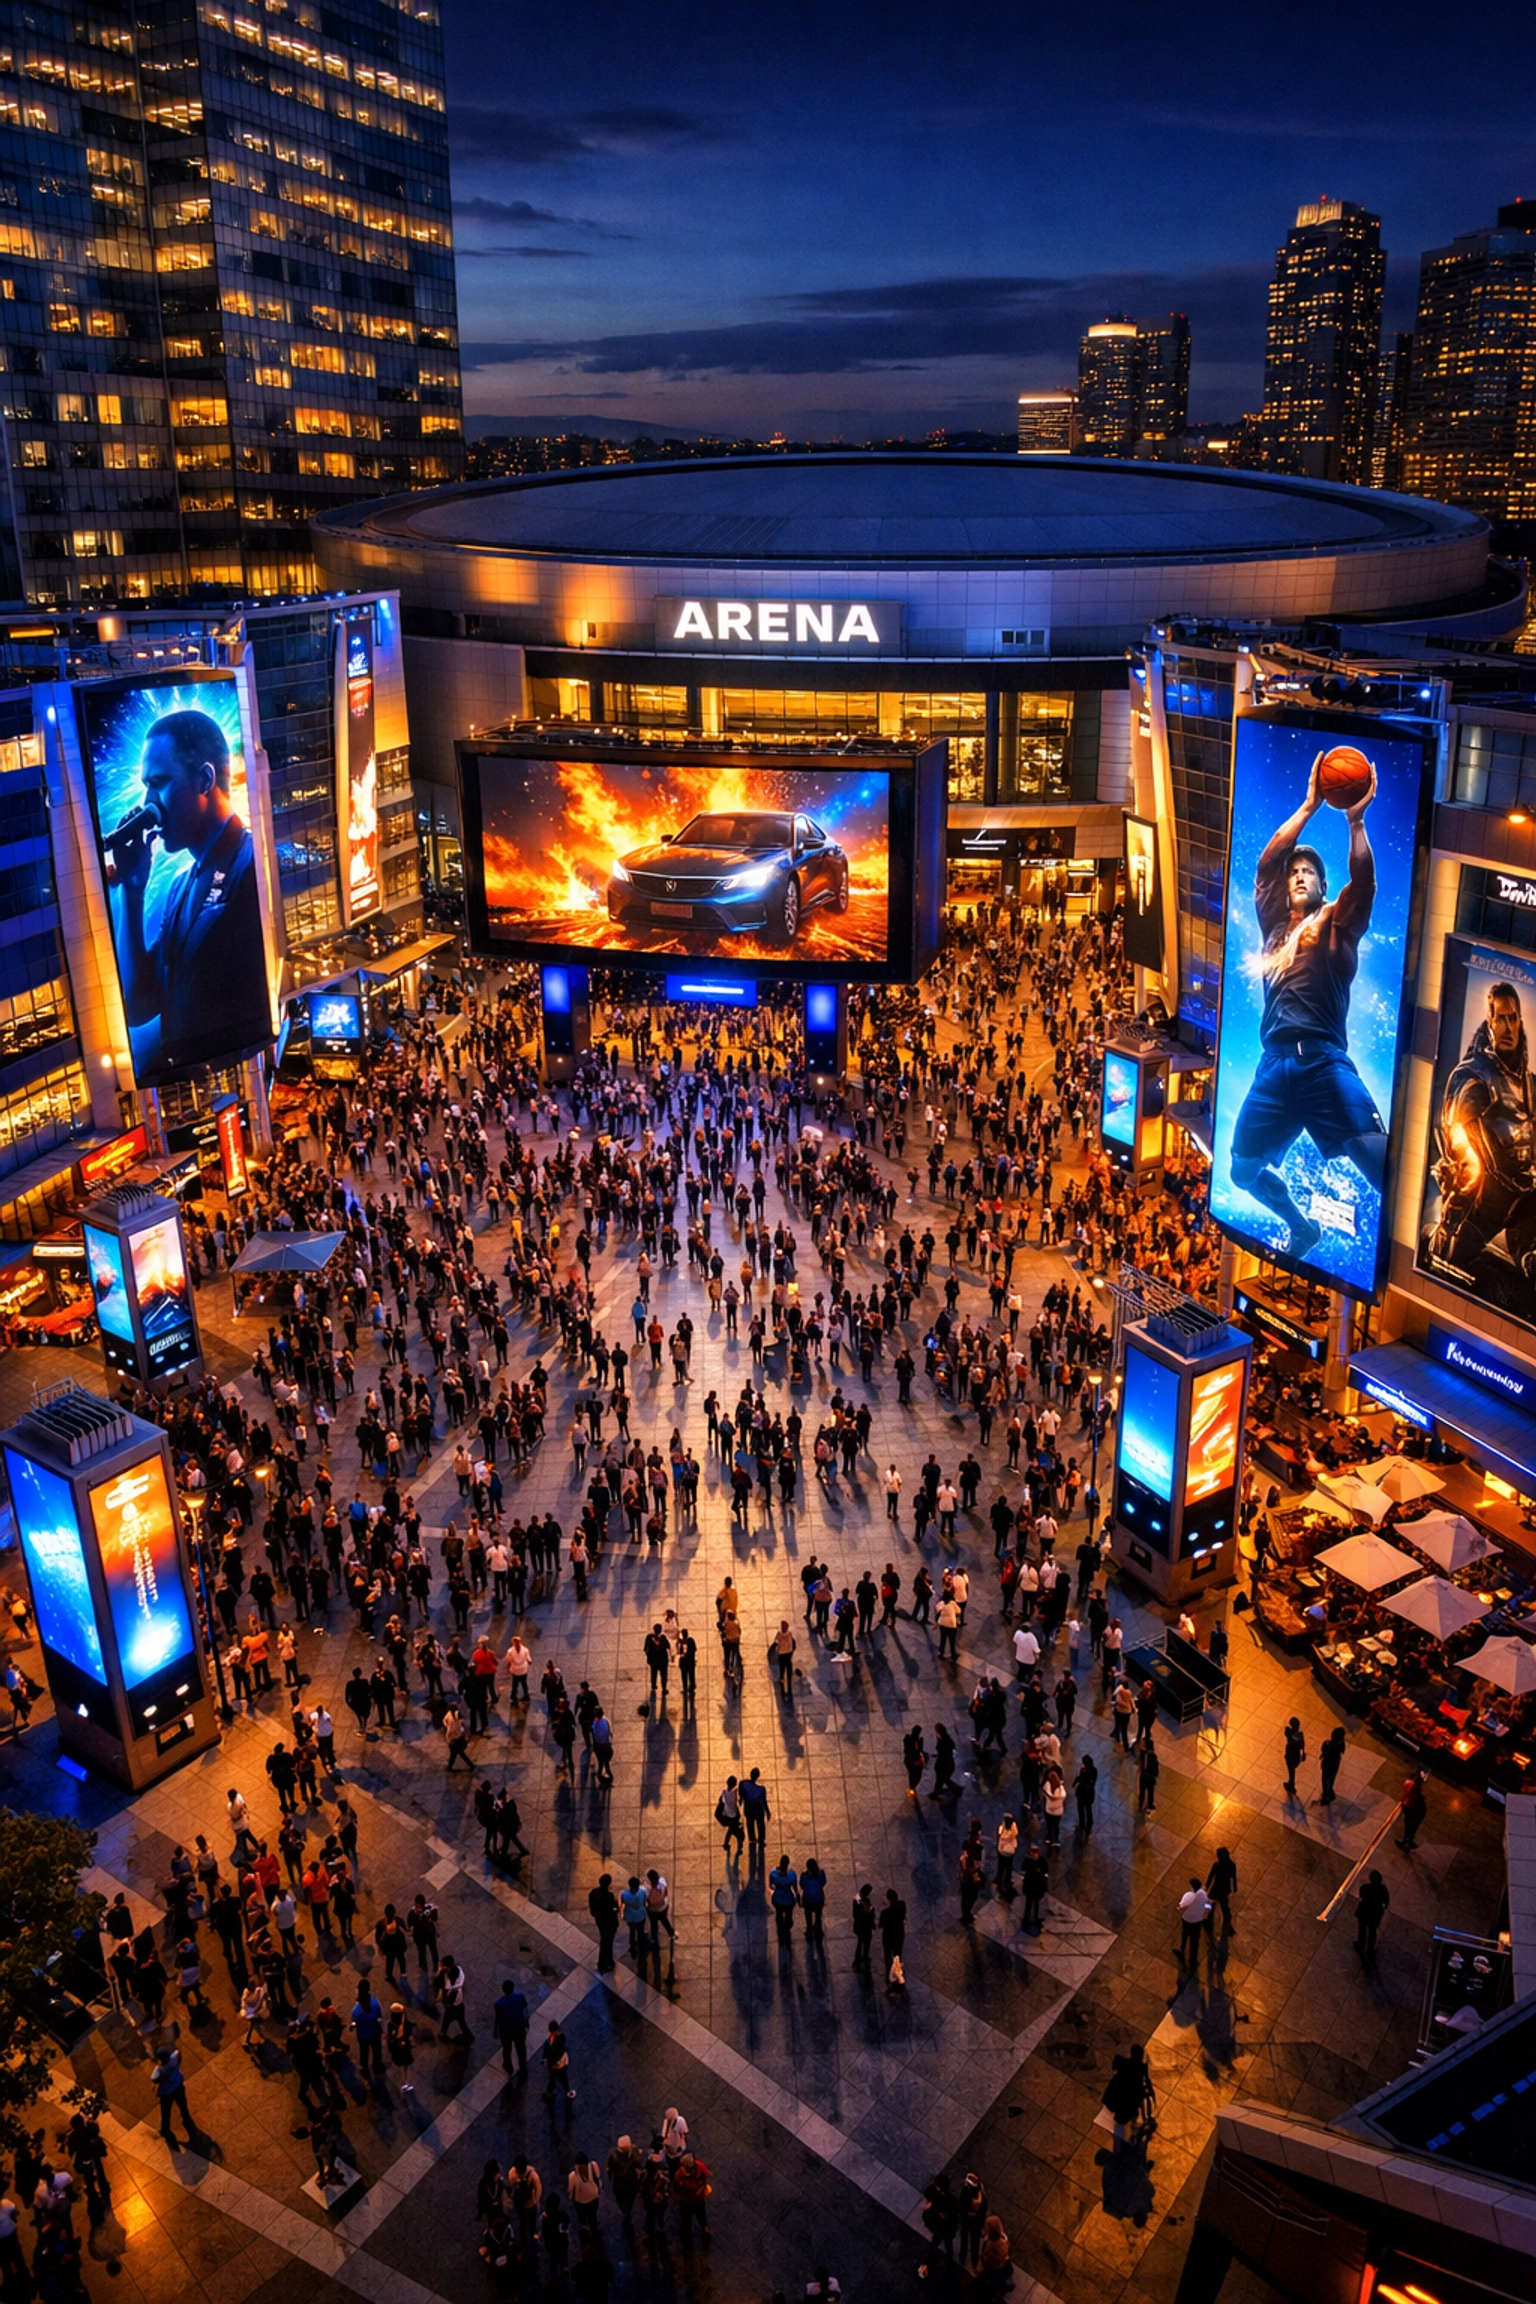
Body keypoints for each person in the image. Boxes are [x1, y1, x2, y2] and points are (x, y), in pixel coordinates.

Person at [1223, 745, 1386, 1264]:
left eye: (1308, 872)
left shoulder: (1336, 922)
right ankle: (1300, 1225)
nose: (1297, 875)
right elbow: (1267, 863)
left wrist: (1355, 822)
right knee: (1241, 1170)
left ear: (1322, 885)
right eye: (1295, 871)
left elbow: (1365, 882)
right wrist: (1309, 805)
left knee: (1378, 1164)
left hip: (1322, 1062)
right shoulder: (1274, 929)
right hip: (1273, 1065)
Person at [108, 704, 272, 1074]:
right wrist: (131, 892)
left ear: (204, 779)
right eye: (145, 785)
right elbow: (139, 1003)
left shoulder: (252, 862)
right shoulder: (180, 888)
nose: (149, 804)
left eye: (159, 782)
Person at [151, 2043, 195, 2146]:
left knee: (165, 2112)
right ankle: (186, 2118)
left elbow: (154, 2079)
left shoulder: (158, 2071)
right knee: (182, 2104)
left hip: (166, 2093)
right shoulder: (173, 2059)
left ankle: (165, 2129)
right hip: (178, 2086)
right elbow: (178, 2051)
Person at [493, 1977, 529, 2076]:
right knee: (521, 2048)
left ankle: (508, 2066)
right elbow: (525, 2010)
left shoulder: (499, 2003)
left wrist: (495, 2031)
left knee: (507, 2049)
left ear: (503, 1990)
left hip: (506, 2031)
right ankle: (523, 2067)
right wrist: (526, 2024)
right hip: (519, 2028)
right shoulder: (520, 1997)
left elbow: (498, 2019)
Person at [1355, 1868, 1390, 1964]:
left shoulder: (1365, 1888)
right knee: (1372, 1932)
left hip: (1364, 1913)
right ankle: (1370, 1950)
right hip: (1374, 1916)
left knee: (1361, 1930)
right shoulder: (1383, 1891)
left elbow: (1361, 1896)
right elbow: (1386, 1903)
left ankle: (1360, 1945)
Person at [588, 1875, 620, 1971]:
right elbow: (614, 1907)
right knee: (607, 1941)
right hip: (609, 1921)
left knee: (606, 1939)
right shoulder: (608, 1895)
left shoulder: (593, 1893)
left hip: (600, 1920)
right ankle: (603, 1963)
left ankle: (609, 1959)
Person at [1177, 1877, 1211, 1970]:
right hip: (1197, 1921)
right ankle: (1193, 1959)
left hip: (1187, 1919)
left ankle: (1182, 1950)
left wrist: (1179, 1909)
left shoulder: (1189, 1896)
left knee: (1185, 1934)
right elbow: (1208, 1905)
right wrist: (1205, 1914)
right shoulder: (1203, 1894)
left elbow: (1182, 1906)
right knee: (1195, 1940)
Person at [1206, 1846, 1238, 1934]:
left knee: (1211, 1903)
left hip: (1216, 1888)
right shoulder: (1232, 1865)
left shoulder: (1217, 1865)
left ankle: (1209, 1920)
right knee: (1224, 1907)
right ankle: (1228, 1926)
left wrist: (1207, 1886)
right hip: (1225, 1889)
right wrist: (1234, 1888)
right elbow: (1234, 1877)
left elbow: (1211, 1876)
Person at [542, 2019, 575, 2103]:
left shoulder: (549, 2043)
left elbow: (547, 2054)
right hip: (560, 2062)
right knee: (562, 2077)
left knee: (554, 2078)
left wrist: (546, 2059)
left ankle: (549, 2092)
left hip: (554, 2064)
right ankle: (567, 2091)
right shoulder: (561, 2036)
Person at [1398, 1769, 1428, 1851]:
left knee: (1409, 1825)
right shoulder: (1415, 1788)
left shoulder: (1409, 1784)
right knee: (1411, 1826)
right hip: (1415, 1809)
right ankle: (1408, 1840)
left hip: (1411, 1808)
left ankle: (1407, 1840)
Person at [1319, 1723, 1347, 1804]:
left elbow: (1323, 1750)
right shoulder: (1341, 1745)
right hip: (1334, 1765)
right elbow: (1342, 1752)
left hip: (1326, 1764)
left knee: (1324, 1779)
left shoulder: (1327, 1744)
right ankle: (1330, 1791)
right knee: (1331, 1779)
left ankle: (1325, 1795)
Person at [1283, 1716, 1306, 1797]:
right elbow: (1302, 1745)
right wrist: (1303, 1754)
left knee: (1291, 1770)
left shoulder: (1289, 1732)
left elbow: (1286, 1732)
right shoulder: (1300, 1735)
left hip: (1290, 1754)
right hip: (1296, 1755)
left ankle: (1291, 1784)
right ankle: (1291, 1783)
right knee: (1292, 1770)